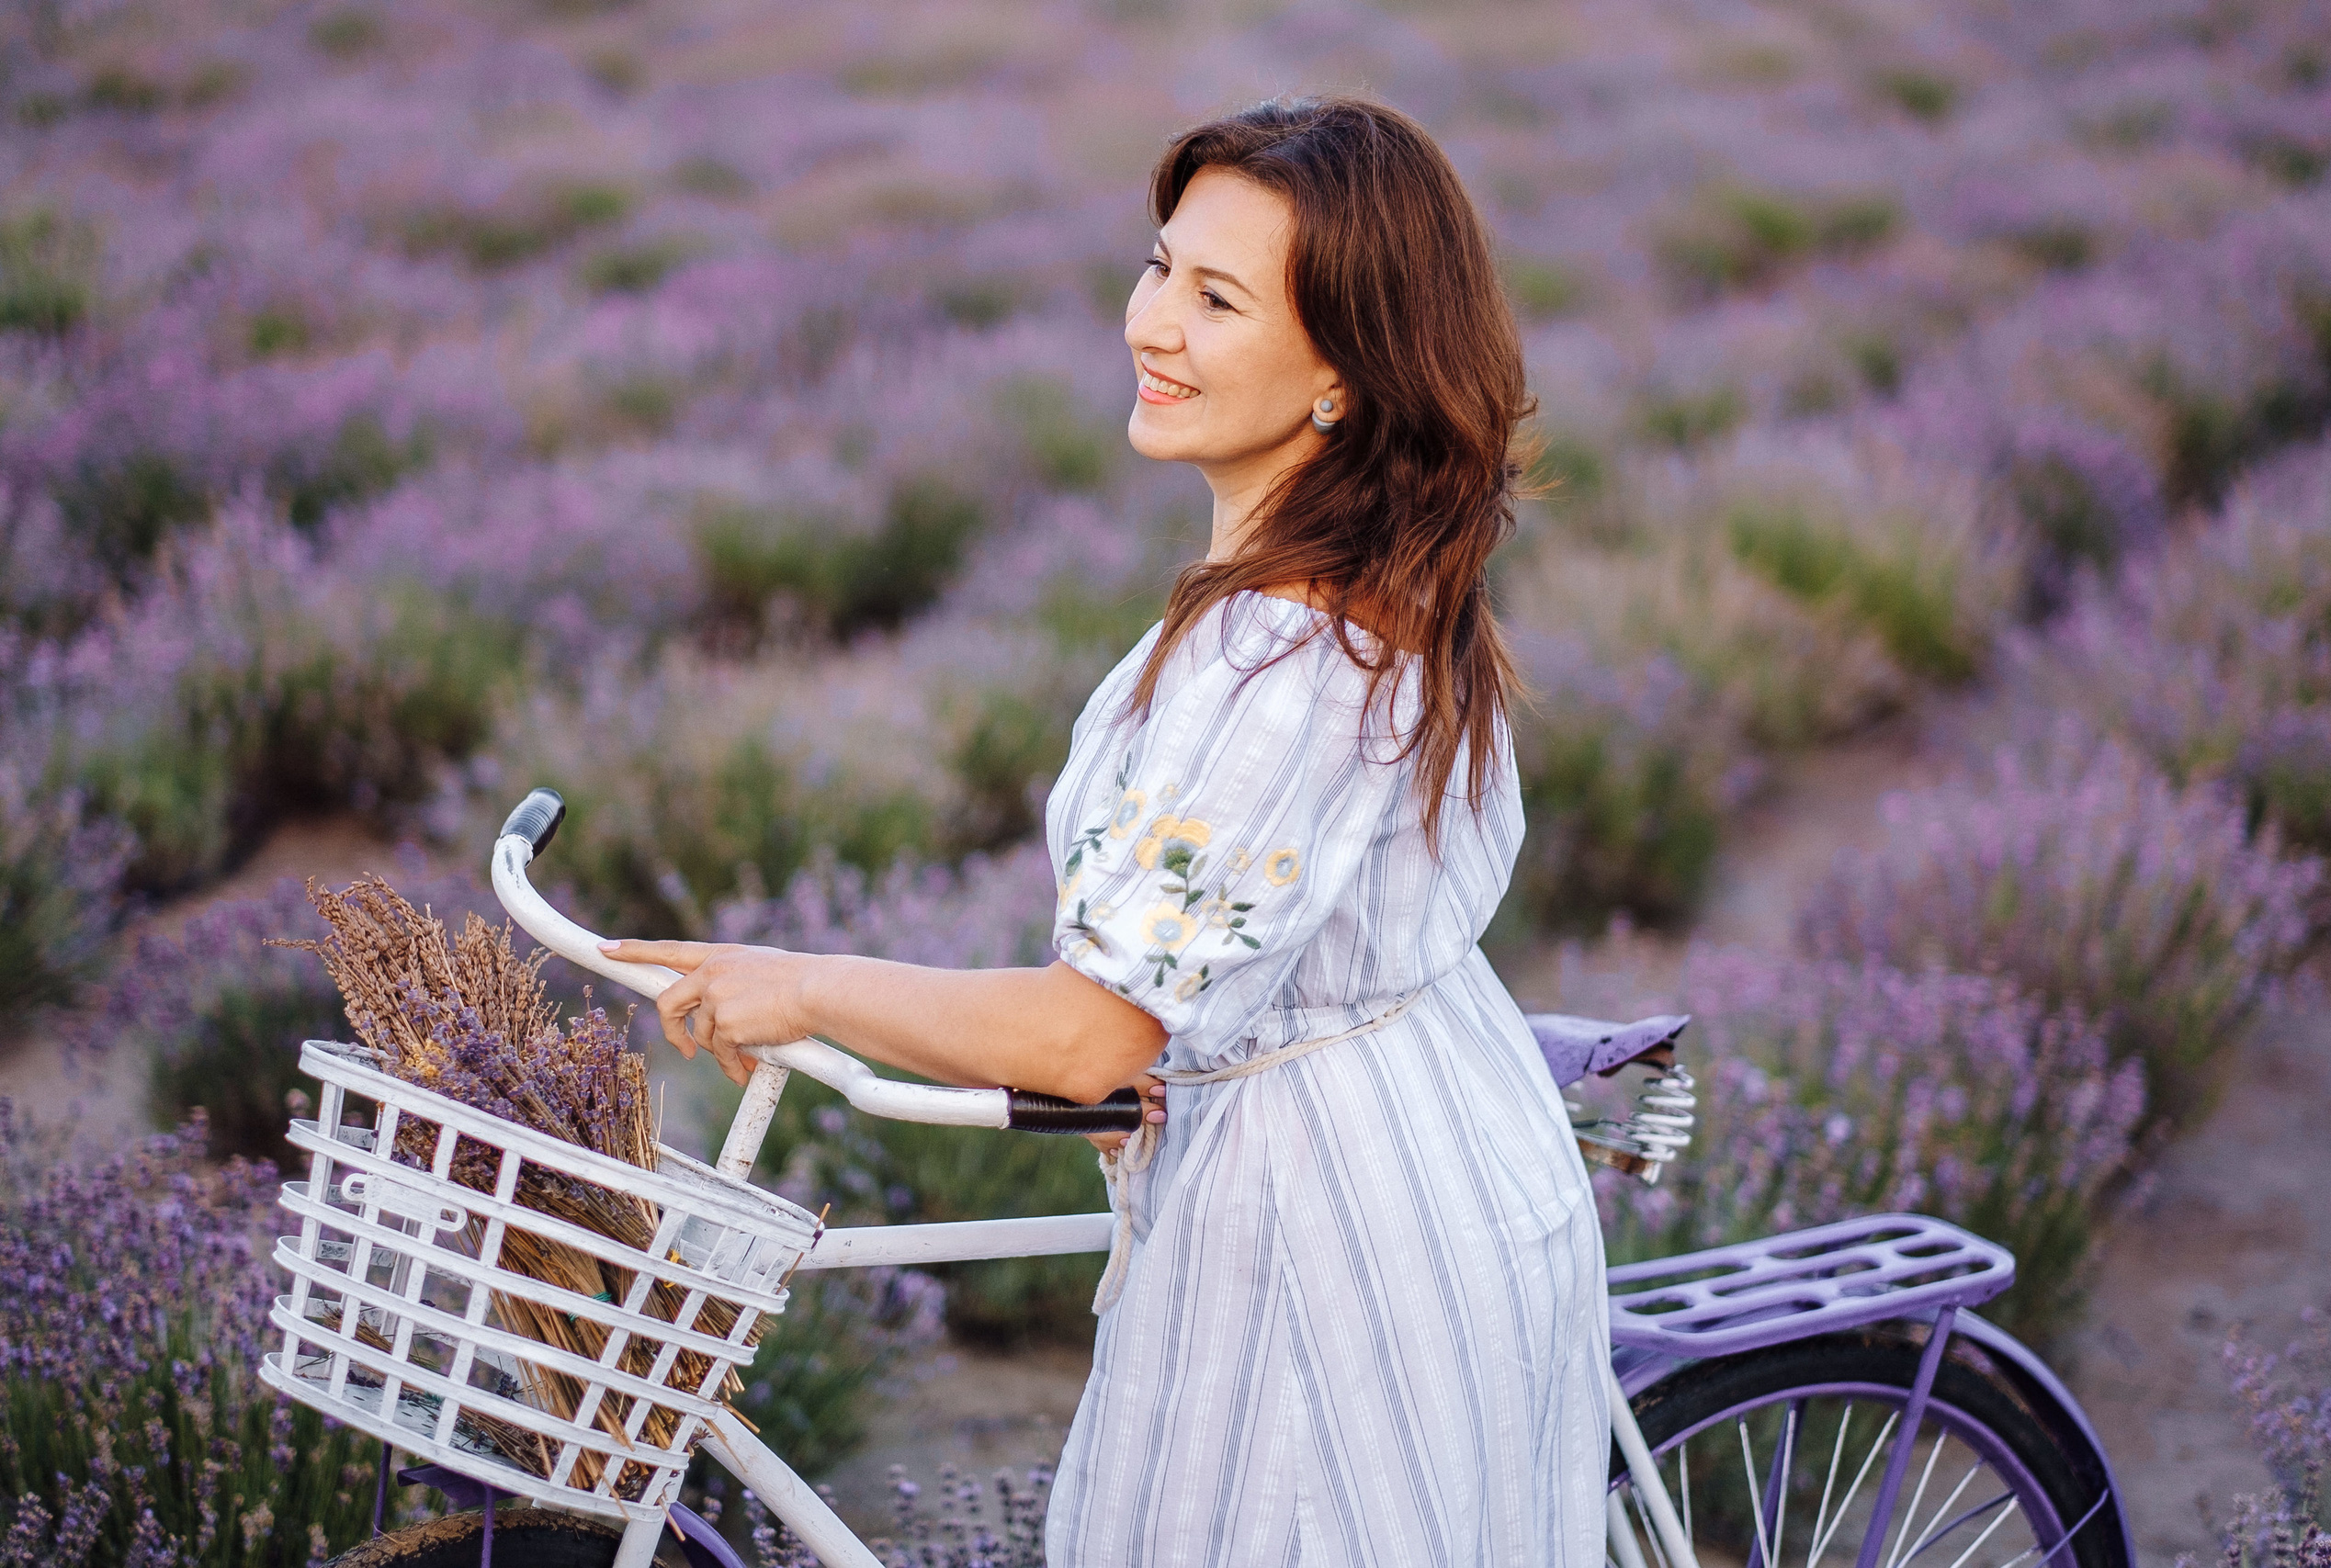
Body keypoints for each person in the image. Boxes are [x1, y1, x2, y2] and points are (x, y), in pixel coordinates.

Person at [604, 95, 1609, 1567]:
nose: (1154, 324)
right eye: (1159, 269)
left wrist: (803, 983)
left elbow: (1088, 1040)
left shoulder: (1284, 660)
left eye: (1219, 300)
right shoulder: (1350, 591)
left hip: (1329, 1243)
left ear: (1343, 374)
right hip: (1406, 1153)